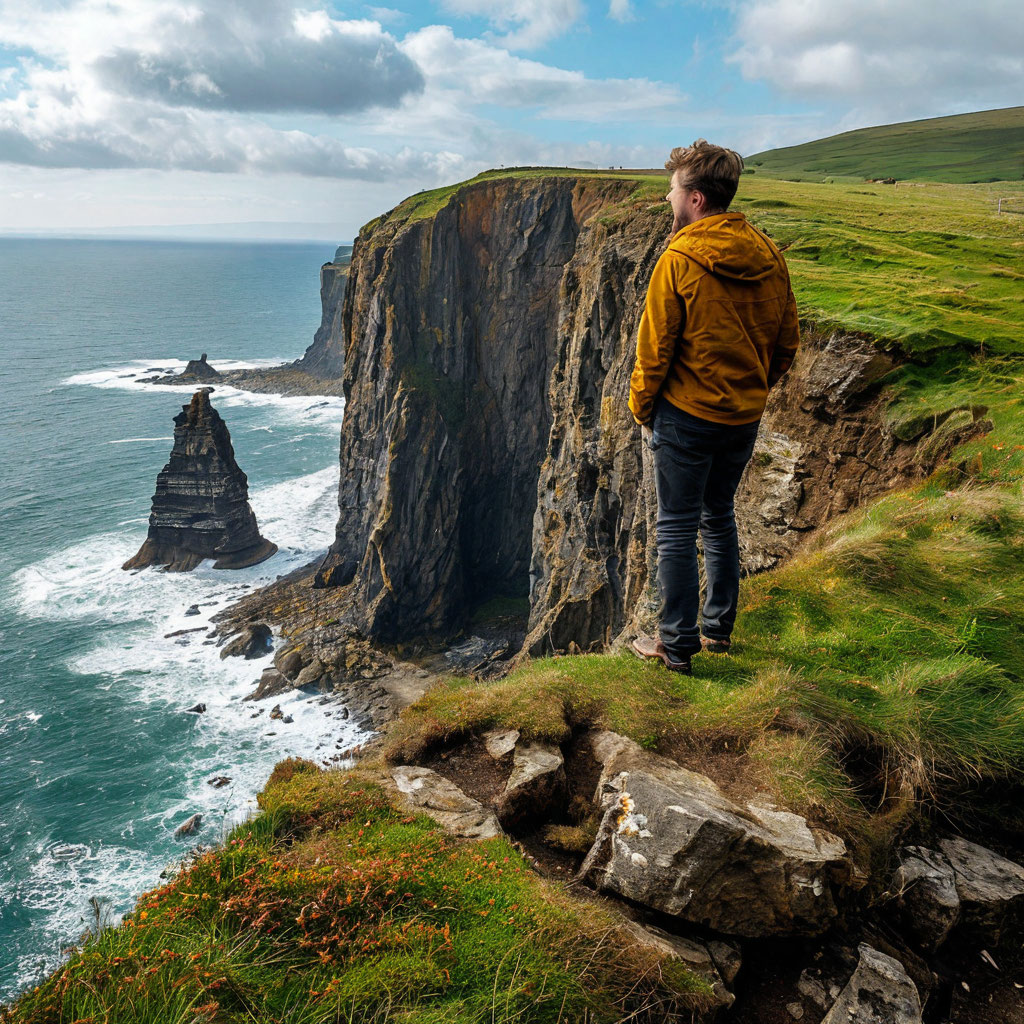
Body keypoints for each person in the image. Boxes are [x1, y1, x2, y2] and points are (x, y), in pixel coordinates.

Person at [628, 139, 800, 674]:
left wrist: (642, 408)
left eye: (673, 189)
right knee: (718, 517)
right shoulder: (768, 253)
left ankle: (677, 647)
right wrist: (753, 390)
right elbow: (787, 340)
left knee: (676, 526)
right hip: (741, 418)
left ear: (696, 198)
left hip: (686, 416)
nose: (667, 197)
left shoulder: (678, 259)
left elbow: (654, 351)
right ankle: (717, 632)